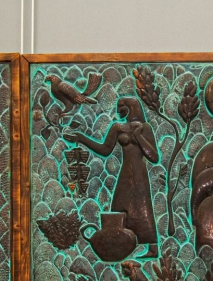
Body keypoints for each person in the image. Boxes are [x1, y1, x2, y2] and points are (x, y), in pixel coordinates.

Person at [64, 97, 160, 258]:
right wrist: (81, 139)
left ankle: (152, 248)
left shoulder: (145, 128)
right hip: (125, 173)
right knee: (119, 206)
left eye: (121, 107)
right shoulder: (117, 128)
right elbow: (105, 149)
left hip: (139, 173)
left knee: (142, 206)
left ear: (130, 108)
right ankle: (120, 244)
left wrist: (138, 136)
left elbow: (154, 157)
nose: (118, 110)